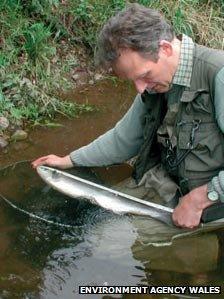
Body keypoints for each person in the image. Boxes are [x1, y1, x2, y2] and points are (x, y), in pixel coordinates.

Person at [32, 3, 224, 229]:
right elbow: (124, 139)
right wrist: (69, 160)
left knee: (118, 245)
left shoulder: (217, 74)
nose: (140, 89)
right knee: (100, 229)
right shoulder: (156, 84)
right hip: (170, 187)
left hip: (210, 203)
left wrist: (202, 198)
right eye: (132, 80)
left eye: (144, 76)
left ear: (165, 49)